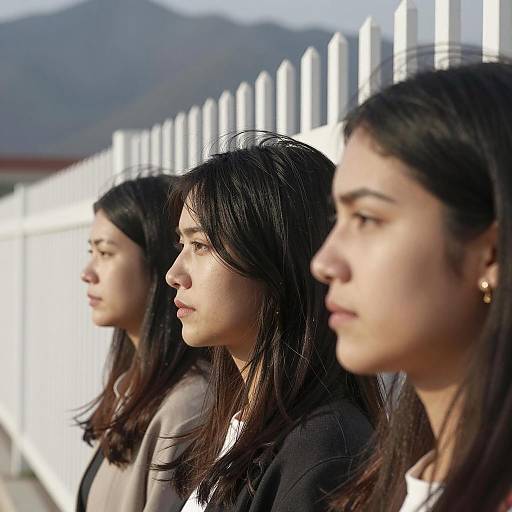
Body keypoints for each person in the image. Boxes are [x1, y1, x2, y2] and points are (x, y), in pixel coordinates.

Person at [312, 61, 512, 511]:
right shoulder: (398, 480)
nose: (324, 262)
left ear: (492, 255)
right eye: (335, 218)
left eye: (366, 218)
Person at [163, 134, 383, 512]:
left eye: (201, 246)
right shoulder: (243, 425)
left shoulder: (323, 452)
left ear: (276, 262)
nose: (174, 273)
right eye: (180, 245)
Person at [77, 174, 210, 512]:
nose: (87, 272)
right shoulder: (132, 386)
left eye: (105, 253)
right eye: (91, 251)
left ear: (158, 260)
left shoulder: (188, 408)